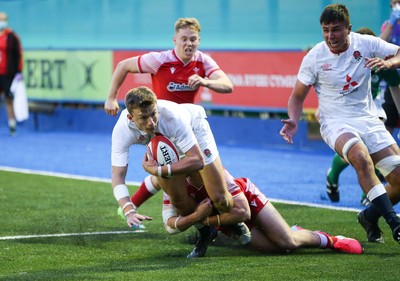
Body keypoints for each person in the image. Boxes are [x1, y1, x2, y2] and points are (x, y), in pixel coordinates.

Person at [279, 4, 400, 244]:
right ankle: (394, 222)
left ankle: (368, 216)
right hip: (335, 123)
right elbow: (297, 96)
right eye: (325, 30)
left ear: (348, 29)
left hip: (369, 119)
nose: (330, 36)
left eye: (335, 30)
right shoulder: (314, 56)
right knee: (360, 157)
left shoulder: (365, 43)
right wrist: (293, 119)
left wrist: (389, 63)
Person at [111, 86, 233, 243]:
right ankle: (208, 229)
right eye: (143, 118)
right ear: (130, 118)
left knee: (221, 200)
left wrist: (159, 170)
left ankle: (235, 212)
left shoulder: (172, 117)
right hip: (168, 140)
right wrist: (128, 210)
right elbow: (117, 175)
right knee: (180, 203)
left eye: (153, 114)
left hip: (194, 128)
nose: (151, 123)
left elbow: (197, 161)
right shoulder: (122, 131)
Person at [159, 168, 363, 256]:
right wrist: (199, 217)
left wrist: (204, 219)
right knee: (280, 249)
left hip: (244, 202)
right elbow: (170, 226)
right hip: (223, 221)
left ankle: (331, 240)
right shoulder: (169, 183)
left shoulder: (213, 169)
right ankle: (293, 230)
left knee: (288, 242)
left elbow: (243, 212)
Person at [325, 27, 400, 206]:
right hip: (347, 113)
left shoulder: (381, 64)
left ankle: (367, 197)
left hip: (373, 110)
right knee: (358, 153)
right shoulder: (343, 62)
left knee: (374, 150)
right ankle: (333, 174)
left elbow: (396, 91)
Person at [104, 17, 233, 116]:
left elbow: (228, 86)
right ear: (175, 40)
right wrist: (111, 98)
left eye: (193, 39)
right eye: (184, 39)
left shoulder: (203, 61)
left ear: (199, 41)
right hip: (160, 119)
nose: (189, 43)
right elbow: (123, 66)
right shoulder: (159, 60)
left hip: (185, 119)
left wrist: (205, 82)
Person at [0, 11, 23, 136]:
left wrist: (19, 71)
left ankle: (12, 125)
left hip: (7, 74)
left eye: (3, 19)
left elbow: (19, 54)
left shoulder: (12, 36)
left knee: (9, 99)